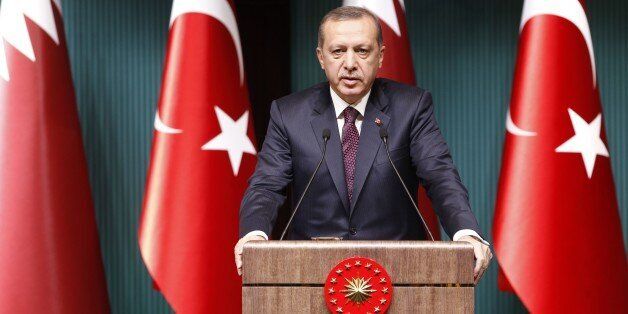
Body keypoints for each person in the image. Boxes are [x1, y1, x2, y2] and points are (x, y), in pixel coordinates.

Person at [234, 6, 492, 284]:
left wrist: (465, 233)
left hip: (400, 275)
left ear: (380, 56)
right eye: (338, 51)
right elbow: (266, 186)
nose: (349, 63)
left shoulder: (411, 108)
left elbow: (440, 176)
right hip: (311, 276)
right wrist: (254, 236)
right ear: (321, 58)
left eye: (362, 50)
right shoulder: (289, 114)